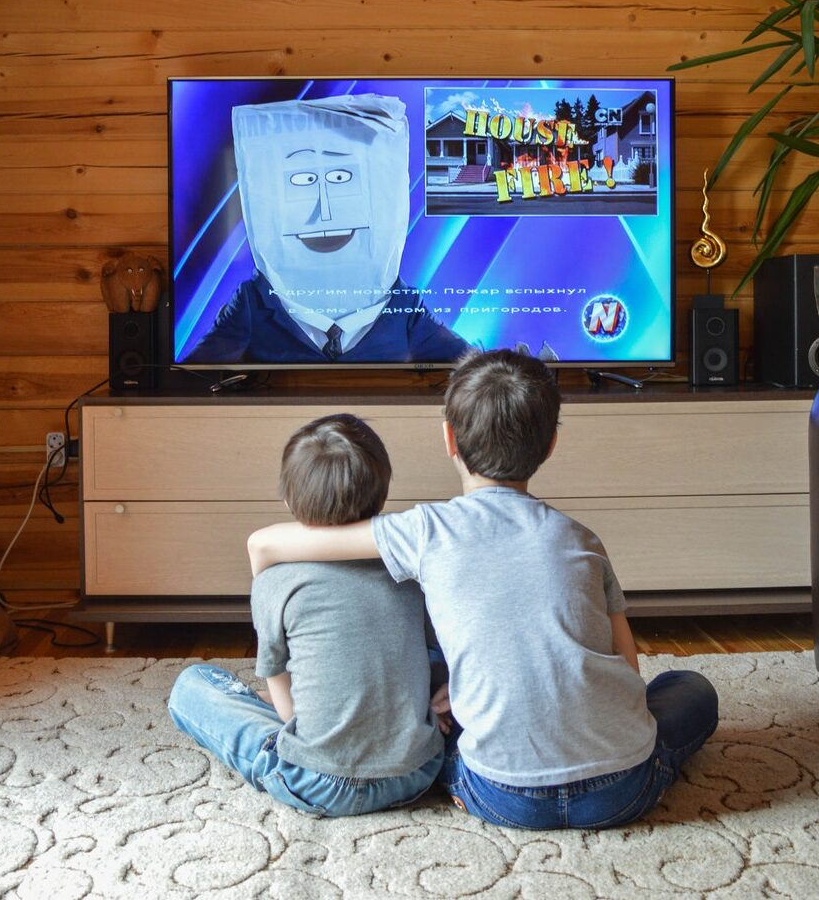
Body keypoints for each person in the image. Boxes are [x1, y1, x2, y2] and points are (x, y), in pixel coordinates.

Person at [247, 349, 719, 829]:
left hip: (502, 795)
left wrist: (260, 553)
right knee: (690, 688)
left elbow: (300, 540)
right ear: (551, 444)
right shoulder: (583, 539)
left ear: (448, 438)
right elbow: (628, 670)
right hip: (620, 790)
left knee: (435, 697)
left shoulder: (426, 530)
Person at [169, 414, 444, 816]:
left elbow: (285, 706)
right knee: (426, 657)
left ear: (288, 499)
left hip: (319, 783)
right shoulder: (408, 571)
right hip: (417, 773)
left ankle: (319, 715)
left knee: (191, 685)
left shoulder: (274, 581)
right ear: (382, 497)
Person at [183, 94, 467, 365]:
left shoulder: (404, 307)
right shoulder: (252, 302)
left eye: (341, 177)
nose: (326, 211)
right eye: (303, 180)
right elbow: (191, 378)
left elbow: (478, 370)